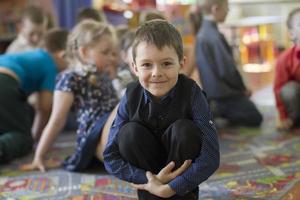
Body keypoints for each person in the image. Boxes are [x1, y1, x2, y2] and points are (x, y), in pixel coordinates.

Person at [103, 20, 220, 200]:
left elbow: (211, 155)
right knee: (128, 133)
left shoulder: (192, 93)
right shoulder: (130, 95)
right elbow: (110, 156)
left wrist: (172, 187)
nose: (156, 72)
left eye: (166, 63)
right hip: (148, 183)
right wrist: (151, 180)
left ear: (181, 63)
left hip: (181, 188)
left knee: (184, 130)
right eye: (146, 65)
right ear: (134, 67)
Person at [23, 20, 118, 172]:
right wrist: (38, 156)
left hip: (113, 128)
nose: (111, 58)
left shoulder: (103, 75)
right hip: (95, 136)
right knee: (130, 98)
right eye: (105, 53)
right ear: (84, 52)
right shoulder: (69, 77)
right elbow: (56, 121)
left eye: (112, 53)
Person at [0, 28, 68, 164]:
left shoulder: (35, 56)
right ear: (63, 55)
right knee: (23, 138)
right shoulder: (50, 65)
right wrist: (34, 140)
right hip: (4, 81)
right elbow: (44, 108)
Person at [195, 0, 262, 127]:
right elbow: (227, 71)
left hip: (211, 93)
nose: (228, 11)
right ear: (215, 9)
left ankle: (213, 109)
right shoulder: (214, 36)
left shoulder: (202, 33)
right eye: (227, 8)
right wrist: (243, 89)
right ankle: (218, 111)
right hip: (224, 96)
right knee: (255, 117)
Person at [274, 8, 300, 130]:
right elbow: (279, 88)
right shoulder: (284, 59)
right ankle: (294, 119)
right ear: (292, 34)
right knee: (288, 90)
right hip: (297, 100)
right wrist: (283, 117)